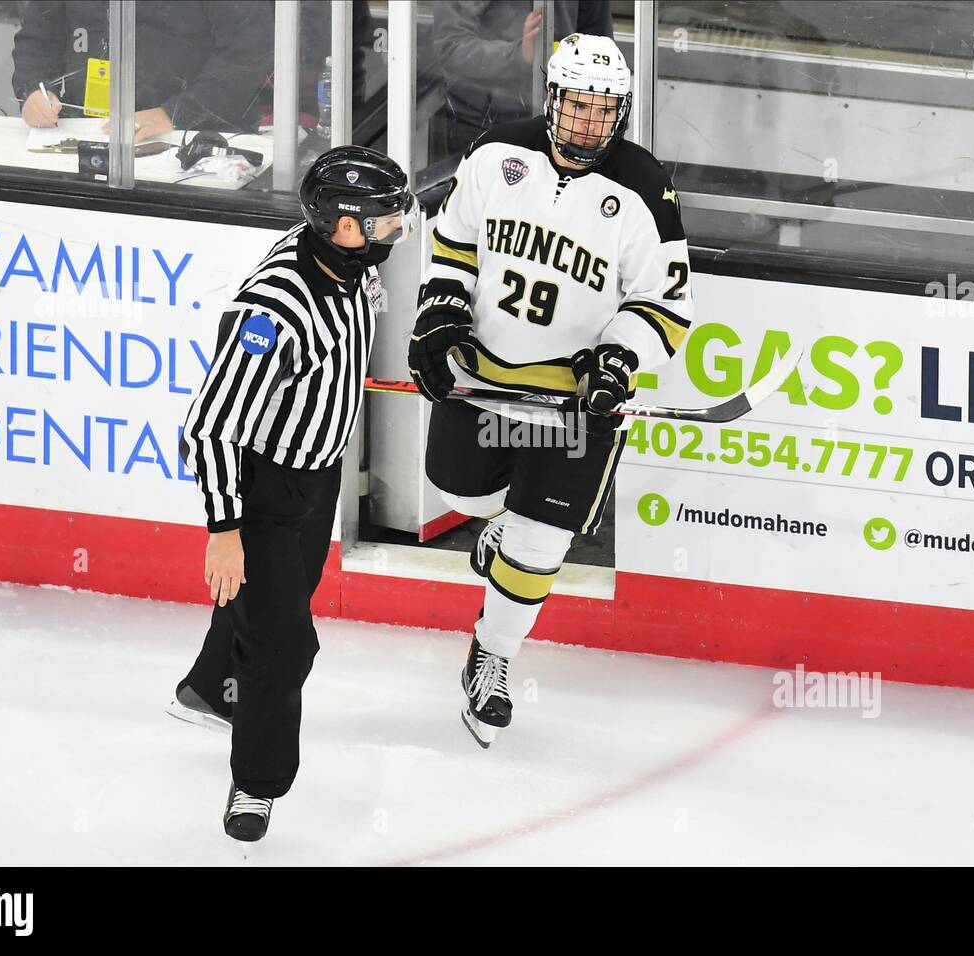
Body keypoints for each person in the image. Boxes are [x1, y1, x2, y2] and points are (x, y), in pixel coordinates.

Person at [409, 34, 694, 747]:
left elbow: (663, 304)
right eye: (578, 106)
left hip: (576, 401)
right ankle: (494, 525)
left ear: (620, 113)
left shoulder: (643, 188)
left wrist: (617, 363)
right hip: (484, 380)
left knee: (541, 544)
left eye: (605, 111)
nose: (589, 123)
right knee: (459, 494)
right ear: (553, 100)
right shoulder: (495, 154)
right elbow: (454, 247)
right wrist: (440, 316)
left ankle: (493, 657)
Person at [173, 146, 417, 841]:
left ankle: (208, 685)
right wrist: (225, 530)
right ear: (341, 226)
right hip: (265, 492)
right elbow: (211, 426)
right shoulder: (275, 311)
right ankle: (256, 783)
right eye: (382, 219)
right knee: (285, 647)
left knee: (273, 606)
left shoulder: (350, 261)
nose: (395, 227)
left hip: (319, 473)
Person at [11, 0, 274, 142]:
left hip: (195, 139)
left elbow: (248, 52)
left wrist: (175, 114)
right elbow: (38, 38)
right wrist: (34, 90)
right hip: (88, 132)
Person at [432, 1, 613, 154]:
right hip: (481, 123)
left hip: (564, 121)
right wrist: (520, 55)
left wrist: (604, 118)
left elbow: (601, 46)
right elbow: (451, 47)